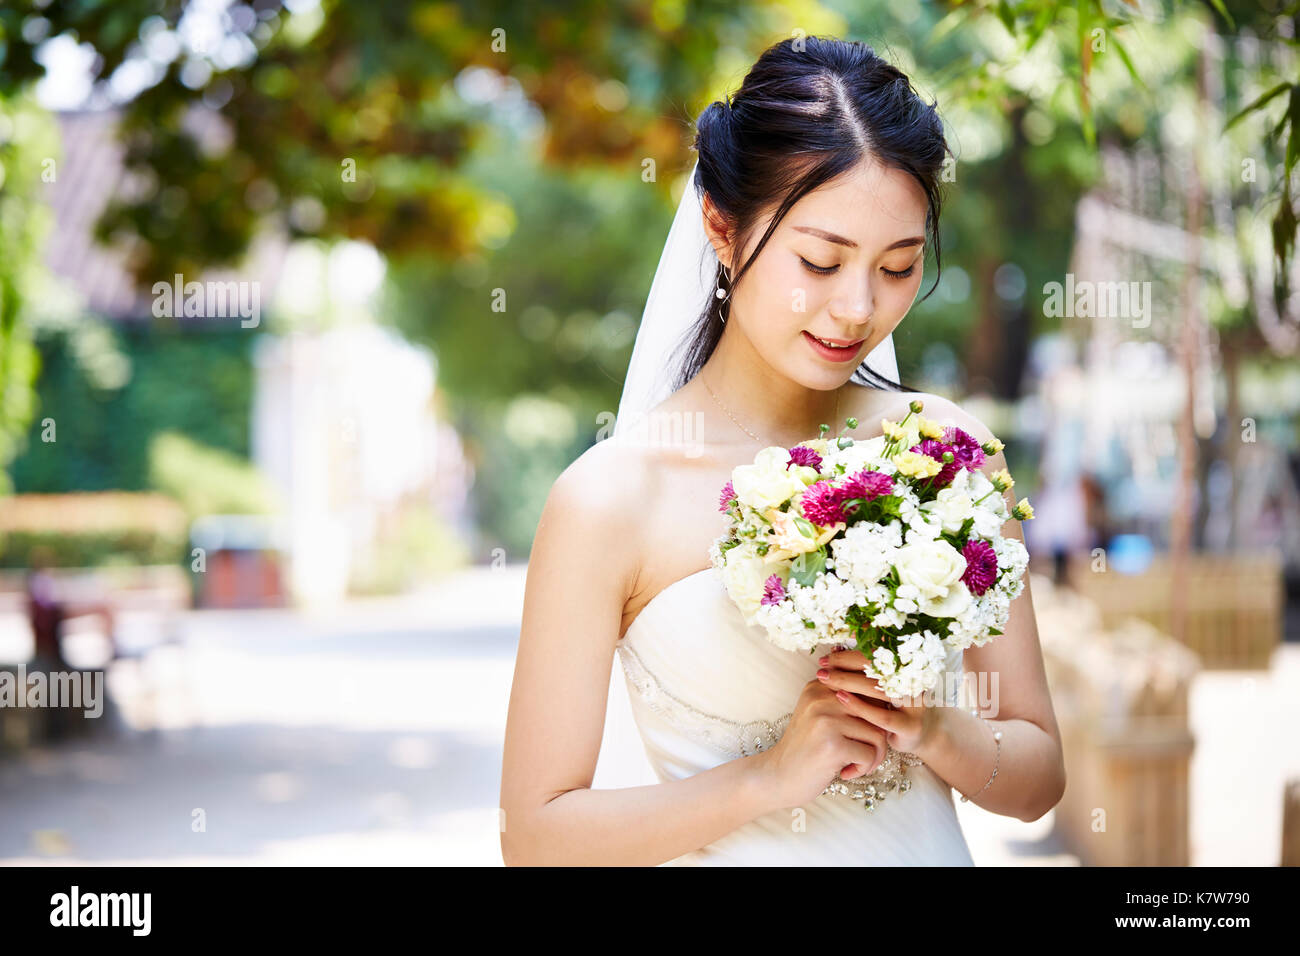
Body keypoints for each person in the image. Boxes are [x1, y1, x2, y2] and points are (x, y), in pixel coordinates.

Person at [500, 36, 1065, 866]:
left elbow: (1040, 774)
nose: (857, 308)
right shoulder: (611, 499)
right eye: (821, 261)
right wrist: (768, 779)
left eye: (899, 267)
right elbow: (535, 837)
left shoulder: (945, 451)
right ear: (722, 229)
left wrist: (936, 728)